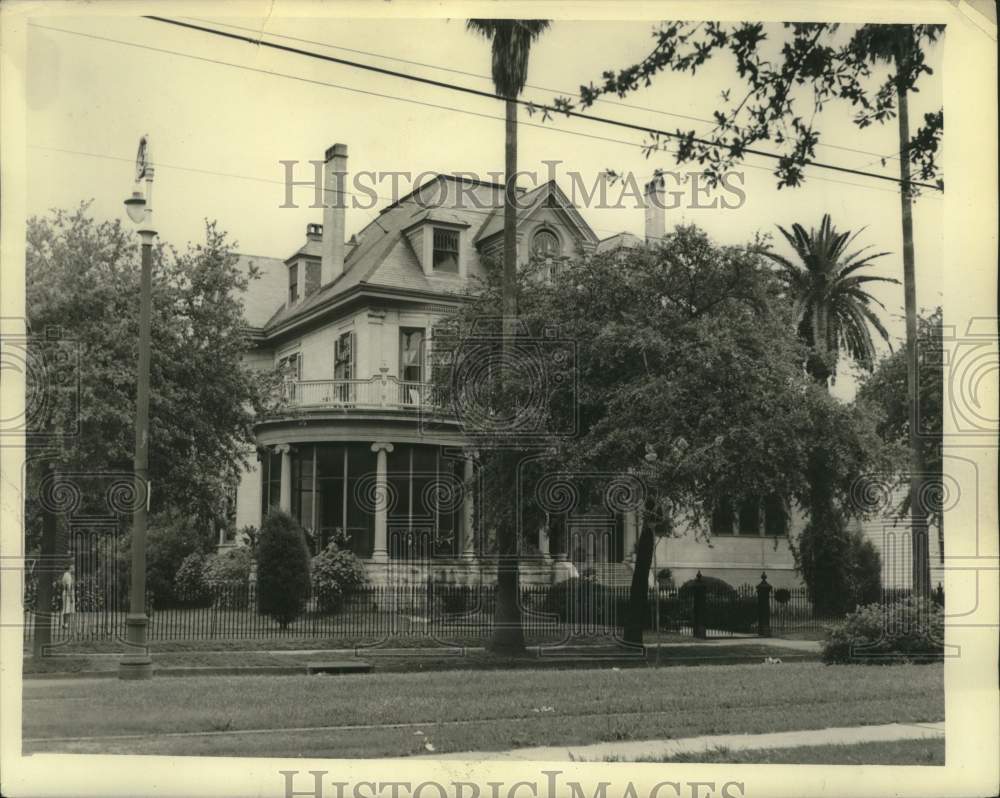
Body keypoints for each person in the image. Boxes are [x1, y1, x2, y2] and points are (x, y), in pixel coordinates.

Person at [59, 562, 75, 631]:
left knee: (65, 609)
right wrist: (71, 596)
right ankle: (66, 624)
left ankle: (64, 623)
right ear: (70, 568)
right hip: (68, 593)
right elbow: (68, 586)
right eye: (73, 568)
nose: (74, 569)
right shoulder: (68, 575)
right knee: (67, 609)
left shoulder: (65, 575)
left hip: (65, 593)